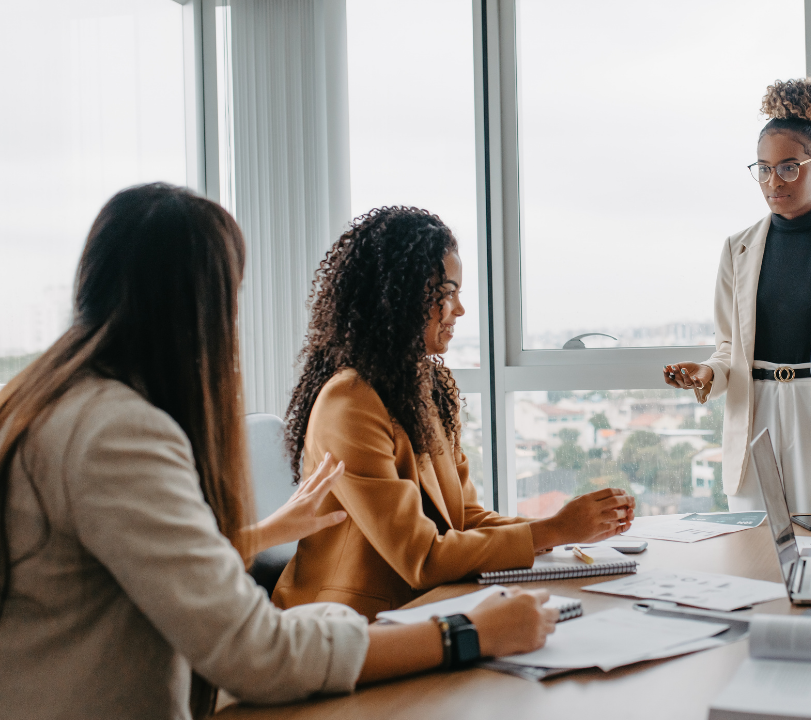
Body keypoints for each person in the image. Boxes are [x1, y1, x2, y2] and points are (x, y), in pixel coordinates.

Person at [0, 185, 561, 719]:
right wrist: (468, 632)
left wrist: (262, 534)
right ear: (198, 305)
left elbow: (133, 559)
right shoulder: (118, 435)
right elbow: (255, 654)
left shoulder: (47, 400)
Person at [273, 206, 635, 621]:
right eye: (447, 294)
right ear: (399, 297)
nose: (459, 310)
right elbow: (421, 557)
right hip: (345, 624)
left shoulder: (427, 387)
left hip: (420, 606)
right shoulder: (350, 401)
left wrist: (556, 526)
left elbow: (463, 517)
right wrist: (555, 530)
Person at [663, 77, 811, 513]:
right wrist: (707, 373)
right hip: (754, 416)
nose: (774, 181)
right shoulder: (737, 248)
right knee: (755, 551)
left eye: (789, 167)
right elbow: (730, 347)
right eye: (763, 169)